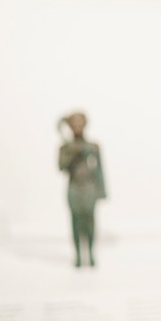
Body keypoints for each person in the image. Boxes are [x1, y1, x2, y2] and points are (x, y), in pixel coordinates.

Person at [57, 111, 106, 268]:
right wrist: (72, 152)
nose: (77, 126)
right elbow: (61, 167)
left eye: (80, 122)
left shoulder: (92, 146)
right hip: (74, 188)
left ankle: (91, 254)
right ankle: (78, 255)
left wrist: (102, 190)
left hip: (89, 188)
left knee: (90, 222)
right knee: (76, 222)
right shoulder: (66, 147)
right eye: (74, 123)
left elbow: (100, 170)